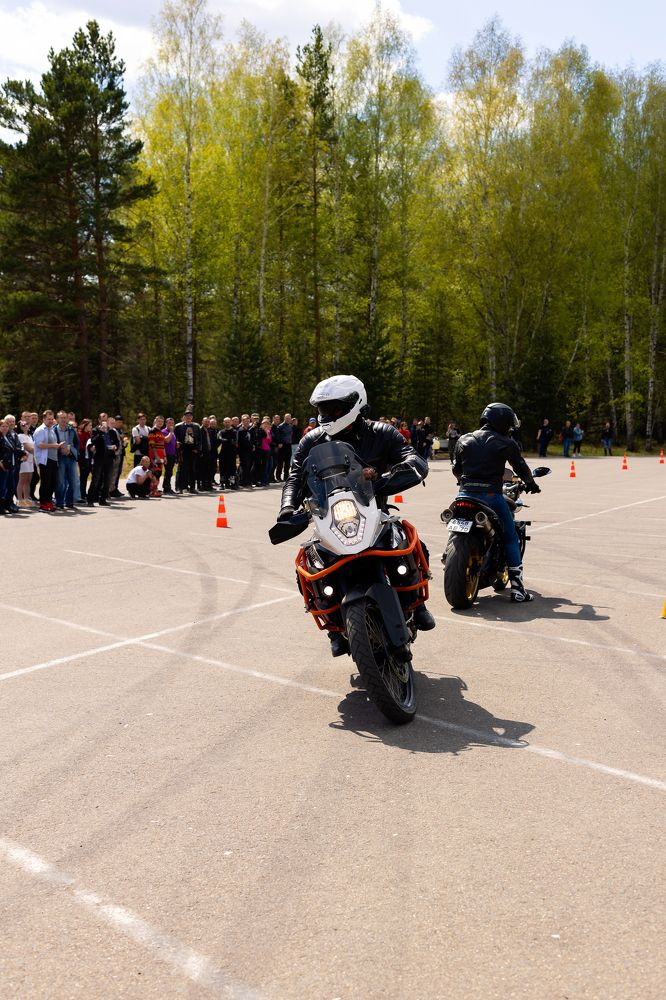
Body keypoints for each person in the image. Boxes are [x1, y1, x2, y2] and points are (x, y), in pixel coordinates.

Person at [278, 374, 436, 656]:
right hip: (330, 518)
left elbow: (412, 457)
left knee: (409, 541)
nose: (328, 415)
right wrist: (287, 508)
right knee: (309, 566)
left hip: (374, 511)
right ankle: (333, 628)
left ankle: (417, 605)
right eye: (323, 409)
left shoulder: (382, 433)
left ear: (355, 404)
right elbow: (294, 477)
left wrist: (390, 478)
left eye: (334, 408)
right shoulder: (311, 441)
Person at [452, 403, 540, 603]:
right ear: (501, 421)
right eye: (508, 424)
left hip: (463, 495)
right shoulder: (506, 442)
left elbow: (457, 469)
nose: (509, 428)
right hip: (490, 496)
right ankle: (518, 590)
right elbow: (521, 467)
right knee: (510, 538)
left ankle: (452, 556)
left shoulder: (463, 439)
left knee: (454, 524)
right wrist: (531, 483)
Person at [33, 409, 63, 511]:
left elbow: (53, 444)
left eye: (52, 419)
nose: (51, 421)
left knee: (52, 482)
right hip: (45, 460)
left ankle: (49, 501)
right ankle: (43, 503)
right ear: (44, 419)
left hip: (54, 459)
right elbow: (39, 444)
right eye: (48, 419)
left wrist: (58, 446)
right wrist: (54, 445)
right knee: (45, 482)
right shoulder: (41, 430)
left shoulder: (51, 430)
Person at [53, 409, 80, 510]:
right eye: (61, 418)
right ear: (57, 419)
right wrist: (60, 450)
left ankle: (69, 502)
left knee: (72, 482)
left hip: (71, 458)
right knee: (60, 482)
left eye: (65, 418)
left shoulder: (71, 429)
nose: (63, 420)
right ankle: (59, 503)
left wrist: (74, 452)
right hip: (59, 458)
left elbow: (77, 443)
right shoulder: (53, 430)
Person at [174, 410, 201, 493]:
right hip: (182, 450)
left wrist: (197, 448)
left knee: (192, 469)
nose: (188, 417)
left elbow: (200, 439)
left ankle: (192, 487)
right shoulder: (178, 426)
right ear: (184, 417)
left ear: (192, 417)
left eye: (190, 416)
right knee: (182, 469)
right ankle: (180, 487)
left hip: (193, 450)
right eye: (187, 416)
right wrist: (176, 444)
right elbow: (175, 438)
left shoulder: (196, 426)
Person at [17, 418, 35, 507]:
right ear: (20, 427)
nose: (25, 426)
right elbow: (29, 448)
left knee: (28, 481)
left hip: (31, 460)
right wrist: (40, 452)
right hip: (24, 460)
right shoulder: (20, 436)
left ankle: (27, 498)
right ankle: (20, 499)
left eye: (27, 424)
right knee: (22, 480)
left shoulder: (30, 436)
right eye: (23, 425)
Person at [218, 417, 238, 490]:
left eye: (228, 422)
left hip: (232, 453)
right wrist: (228, 440)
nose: (227, 423)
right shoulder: (221, 432)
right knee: (223, 469)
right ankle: (223, 484)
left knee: (232, 469)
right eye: (225, 422)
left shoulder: (234, 431)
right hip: (223, 453)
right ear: (223, 423)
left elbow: (235, 441)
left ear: (231, 423)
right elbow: (219, 439)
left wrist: (225, 441)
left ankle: (232, 483)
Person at [77, 419, 93, 500]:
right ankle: (81, 493)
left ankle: (84, 493)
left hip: (88, 457)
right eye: (90, 425)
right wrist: (89, 447)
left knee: (86, 475)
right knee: (83, 476)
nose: (91, 427)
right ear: (85, 425)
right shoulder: (81, 434)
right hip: (82, 457)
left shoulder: (88, 434)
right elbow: (80, 446)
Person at [161, 417, 177, 493]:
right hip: (167, 454)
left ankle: (167, 486)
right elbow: (166, 440)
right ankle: (166, 488)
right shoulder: (164, 431)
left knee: (170, 472)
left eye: (172, 423)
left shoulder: (172, 432)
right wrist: (170, 432)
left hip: (172, 454)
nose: (171, 425)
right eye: (169, 423)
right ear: (166, 424)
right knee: (168, 471)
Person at [274, 414, 292, 482]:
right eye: (286, 418)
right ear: (284, 418)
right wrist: (279, 443)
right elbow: (278, 436)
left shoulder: (290, 426)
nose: (288, 419)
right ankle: (278, 477)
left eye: (289, 418)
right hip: (282, 446)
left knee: (287, 463)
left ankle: (286, 477)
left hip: (289, 445)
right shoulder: (280, 426)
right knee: (280, 462)